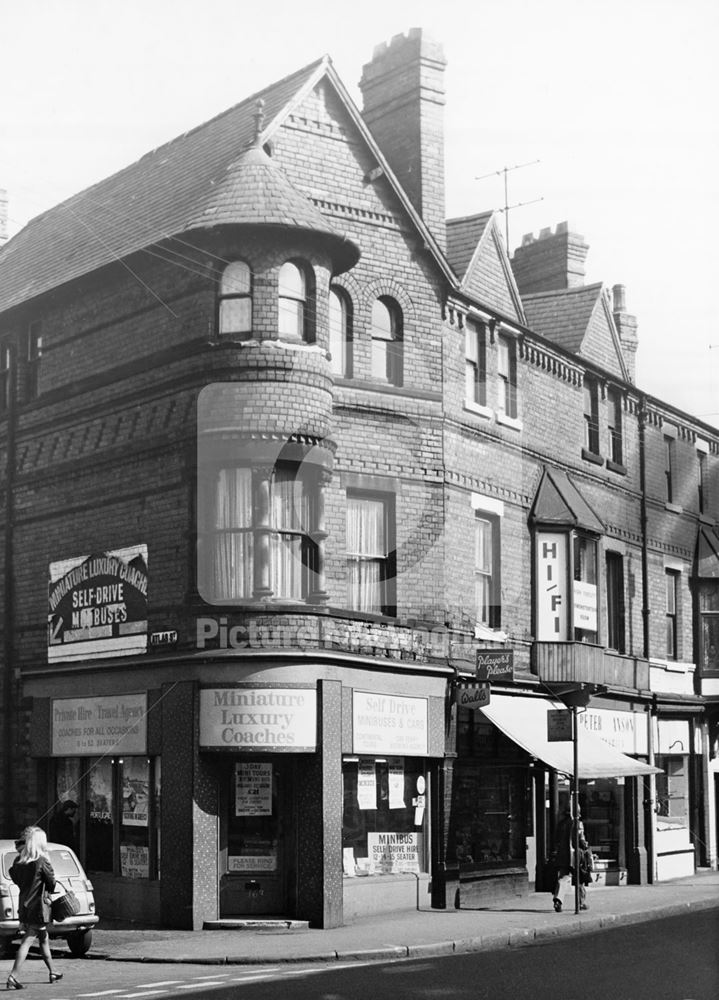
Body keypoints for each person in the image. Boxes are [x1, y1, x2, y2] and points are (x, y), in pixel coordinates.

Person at [6, 826, 63, 989]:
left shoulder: (18, 861)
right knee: (27, 940)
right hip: (38, 906)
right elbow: (51, 883)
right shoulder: (42, 861)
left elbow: (15, 878)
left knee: (43, 938)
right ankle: (13, 976)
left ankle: (53, 971)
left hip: (24, 905)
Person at [552, 805, 592, 913]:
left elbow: (556, 839)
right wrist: (586, 847)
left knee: (563, 877)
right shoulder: (578, 823)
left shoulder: (561, 824)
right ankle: (581, 902)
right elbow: (581, 839)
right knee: (580, 879)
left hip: (562, 854)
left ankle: (558, 900)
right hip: (574, 855)